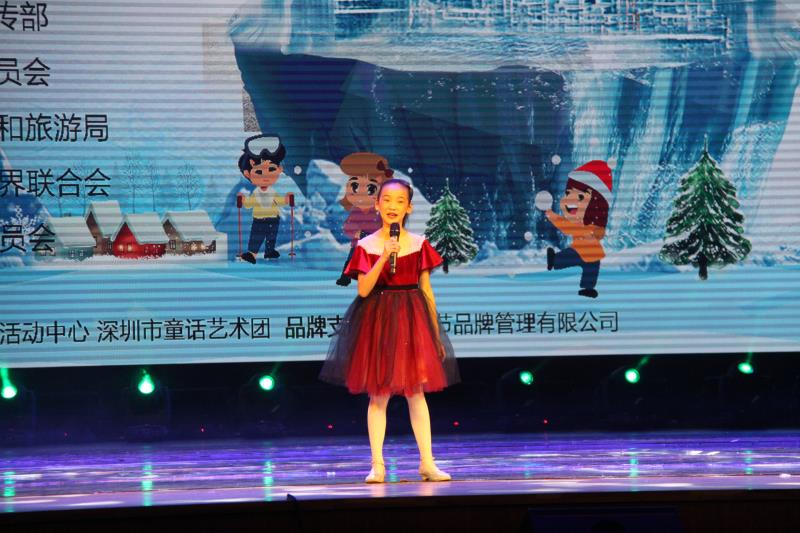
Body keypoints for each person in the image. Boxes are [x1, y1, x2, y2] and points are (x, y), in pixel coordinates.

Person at [320, 178, 460, 483]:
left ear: (409, 207)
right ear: (377, 205)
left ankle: (427, 463)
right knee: (379, 395)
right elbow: (363, 289)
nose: (392, 206)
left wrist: (434, 332)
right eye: (386, 200)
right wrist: (385, 255)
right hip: (379, 320)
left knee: (416, 393)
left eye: (399, 201)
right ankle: (378, 465)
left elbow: (427, 290)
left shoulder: (419, 243)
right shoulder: (366, 245)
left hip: (412, 319)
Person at [540, 160, 612, 298]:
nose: (569, 200)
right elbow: (567, 226)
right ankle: (555, 261)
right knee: (577, 262)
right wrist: (550, 214)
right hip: (581, 251)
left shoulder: (590, 226)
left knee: (587, 268)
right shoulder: (581, 225)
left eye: (580, 197)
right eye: (568, 193)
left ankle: (586, 287)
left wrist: (551, 215)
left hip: (586, 253)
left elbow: (569, 228)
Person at [335, 152, 393, 286]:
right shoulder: (356, 211)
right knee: (352, 260)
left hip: (375, 245)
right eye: (355, 186)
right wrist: (356, 233)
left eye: (370, 188)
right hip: (358, 244)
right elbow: (348, 226)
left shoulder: (380, 212)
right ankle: (345, 277)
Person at [237, 134, 291, 264]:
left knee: (271, 237)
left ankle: (269, 251)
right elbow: (249, 204)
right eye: (259, 172)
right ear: (247, 174)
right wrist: (243, 201)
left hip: (273, 219)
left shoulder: (273, 192)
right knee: (256, 237)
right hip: (259, 220)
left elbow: (279, 201)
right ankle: (252, 254)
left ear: (279, 169)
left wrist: (286, 200)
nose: (266, 176)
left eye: (271, 169)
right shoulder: (256, 193)